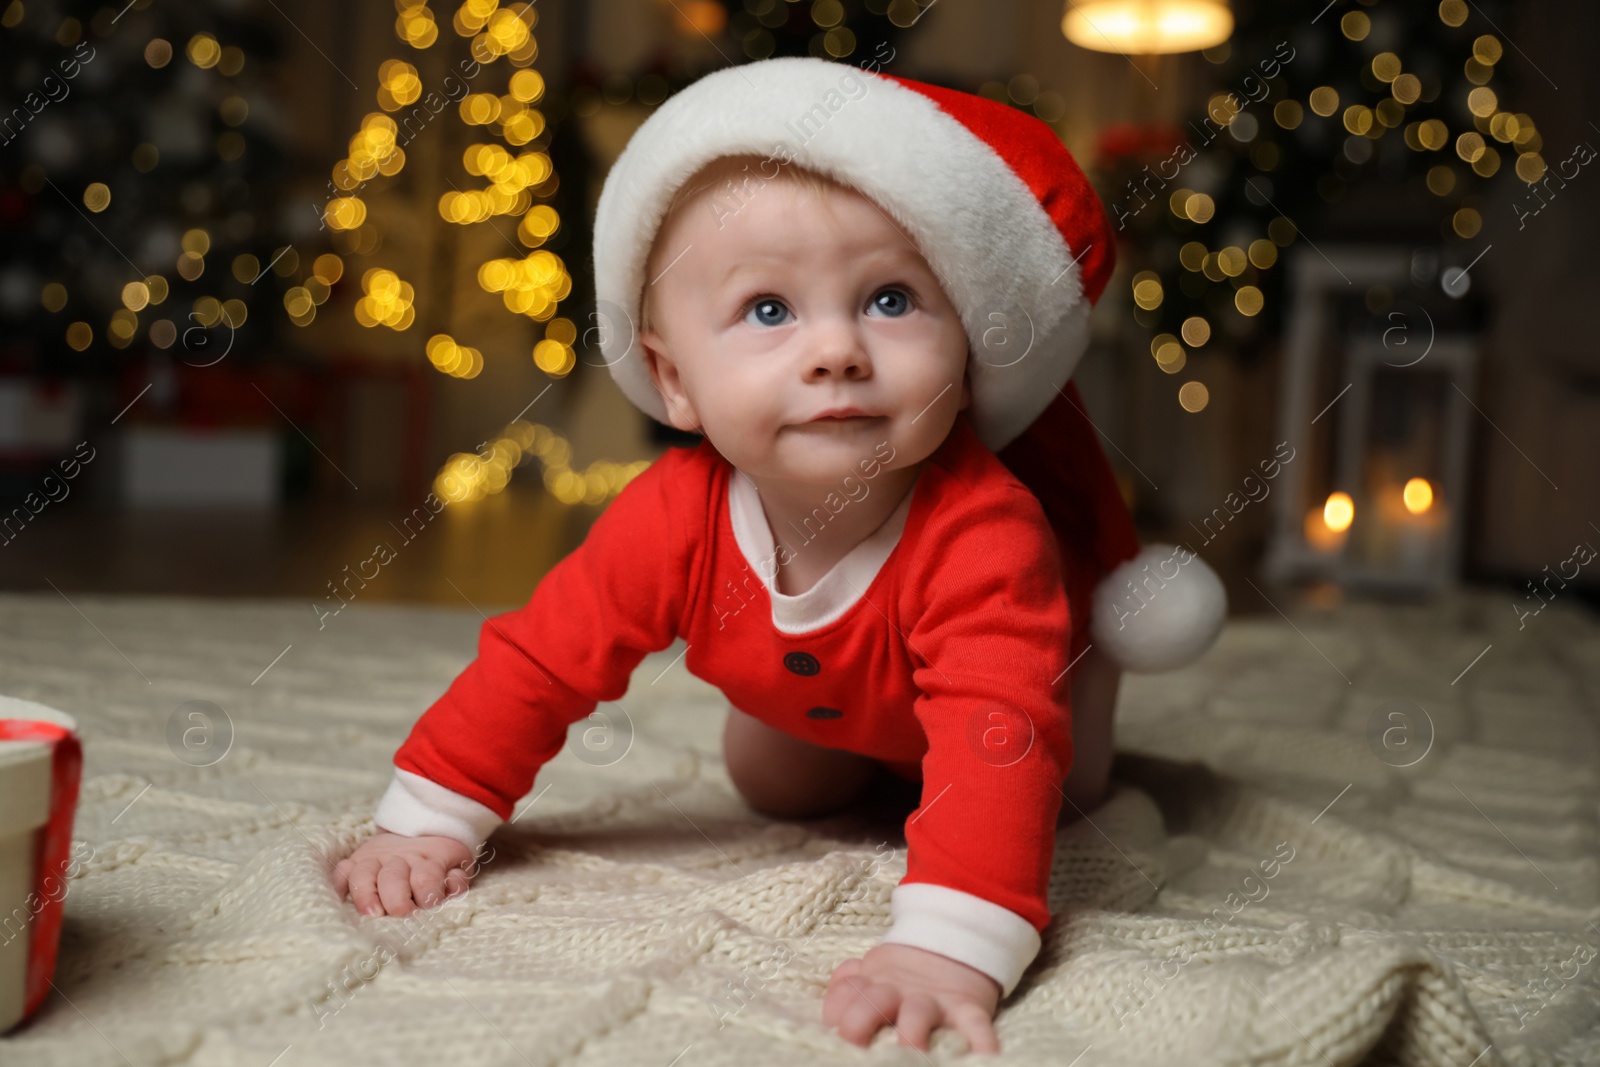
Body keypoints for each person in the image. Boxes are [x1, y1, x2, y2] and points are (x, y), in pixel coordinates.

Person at [332, 56, 1226, 1055]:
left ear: (969, 355)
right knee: (769, 780)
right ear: (675, 383)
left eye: (890, 300)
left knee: (1061, 794)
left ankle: (1091, 673)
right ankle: (858, 751)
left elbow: (995, 724)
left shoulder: (983, 527)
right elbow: (541, 661)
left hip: (1013, 684)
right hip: (823, 701)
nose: (835, 349)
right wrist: (429, 814)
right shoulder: (671, 515)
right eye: (768, 309)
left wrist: (950, 941)